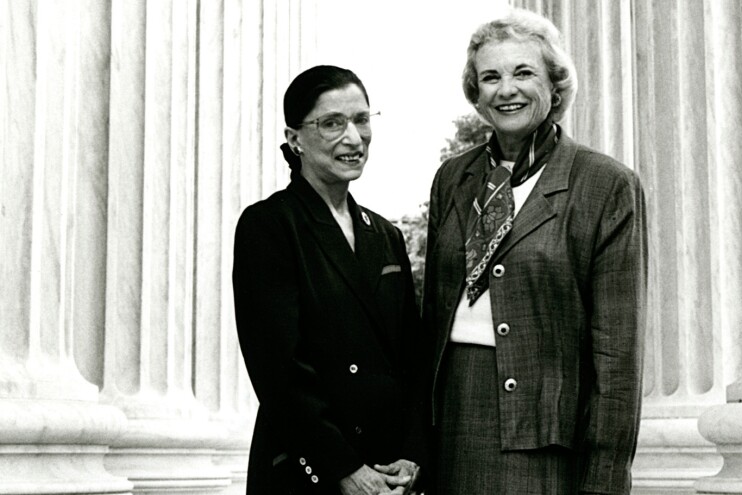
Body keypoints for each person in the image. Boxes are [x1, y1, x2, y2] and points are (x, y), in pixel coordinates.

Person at [422, 9, 647, 495]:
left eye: (524, 73)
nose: (506, 90)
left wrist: (606, 476)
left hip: (544, 436)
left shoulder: (605, 185)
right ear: (475, 94)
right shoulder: (452, 178)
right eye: (490, 77)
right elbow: (431, 317)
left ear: (556, 84)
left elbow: (617, 351)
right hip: (453, 420)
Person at [233, 65, 426, 495]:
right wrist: (344, 467)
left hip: (389, 471)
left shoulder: (387, 235)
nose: (353, 138)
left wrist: (413, 455)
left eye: (361, 119)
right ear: (294, 138)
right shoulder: (269, 225)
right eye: (332, 123)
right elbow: (278, 369)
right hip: (310, 469)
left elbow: (412, 359)